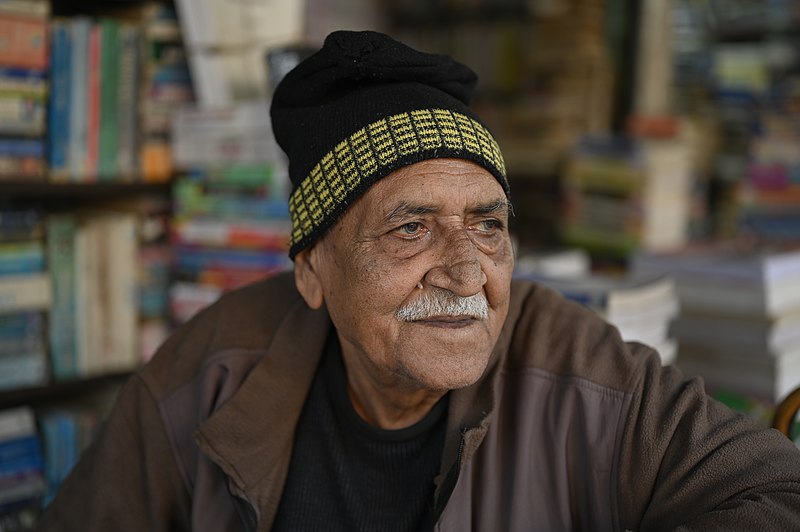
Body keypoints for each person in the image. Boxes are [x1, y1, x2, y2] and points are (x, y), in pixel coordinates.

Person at [38, 30, 800, 532]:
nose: (467, 269)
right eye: (411, 227)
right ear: (313, 271)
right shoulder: (208, 371)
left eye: (488, 224)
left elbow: (780, 494)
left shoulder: (575, 366)